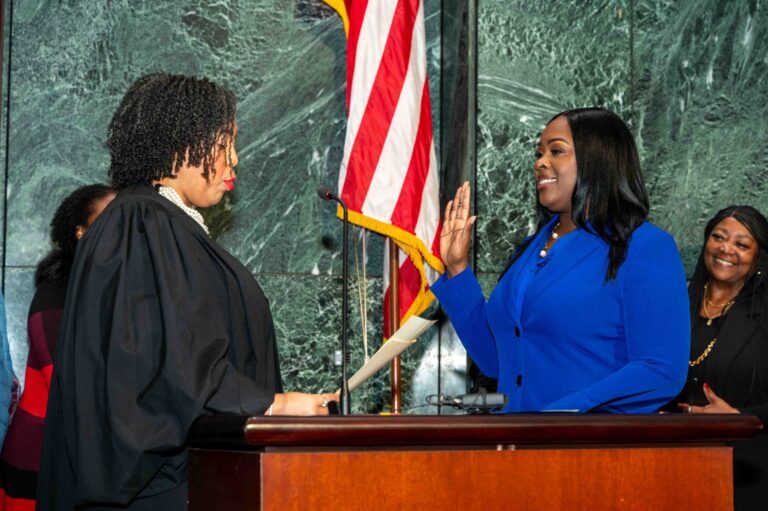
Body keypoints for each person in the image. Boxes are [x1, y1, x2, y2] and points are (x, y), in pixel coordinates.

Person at [37, 74, 337, 511]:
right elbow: (154, 365)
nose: (234, 159)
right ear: (183, 144)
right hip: (159, 492)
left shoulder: (162, 222)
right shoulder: (140, 222)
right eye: (225, 142)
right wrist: (272, 405)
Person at [433, 107, 690, 413]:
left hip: (587, 449)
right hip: (516, 446)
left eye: (557, 151)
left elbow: (659, 369)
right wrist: (457, 268)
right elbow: (495, 361)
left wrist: (560, 417)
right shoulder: (530, 250)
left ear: (599, 159)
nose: (540, 162)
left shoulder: (645, 247)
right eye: (539, 153)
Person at [0, 184, 115, 510]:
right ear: (80, 232)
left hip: (83, 456)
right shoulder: (56, 293)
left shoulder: (109, 294)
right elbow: (65, 380)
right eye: (108, 219)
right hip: (38, 457)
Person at [670, 205, 768, 510]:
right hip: (670, 464)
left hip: (746, 472)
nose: (726, 249)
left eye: (742, 244)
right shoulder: (672, 304)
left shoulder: (764, 316)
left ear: (758, 259)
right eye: (718, 237)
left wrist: (742, 419)